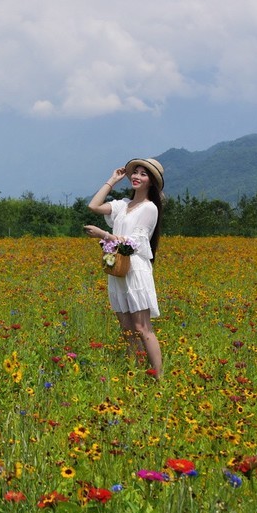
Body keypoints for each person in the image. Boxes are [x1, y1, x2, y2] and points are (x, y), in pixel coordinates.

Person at [83, 158, 164, 378]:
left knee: (142, 328)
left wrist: (103, 235)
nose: (137, 176)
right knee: (127, 329)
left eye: (143, 174)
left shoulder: (149, 208)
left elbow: (134, 244)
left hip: (136, 270)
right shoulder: (122, 205)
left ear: (151, 182)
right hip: (117, 268)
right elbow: (93, 206)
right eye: (135, 172)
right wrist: (112, 180)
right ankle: (135, 372)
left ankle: (159, 379)